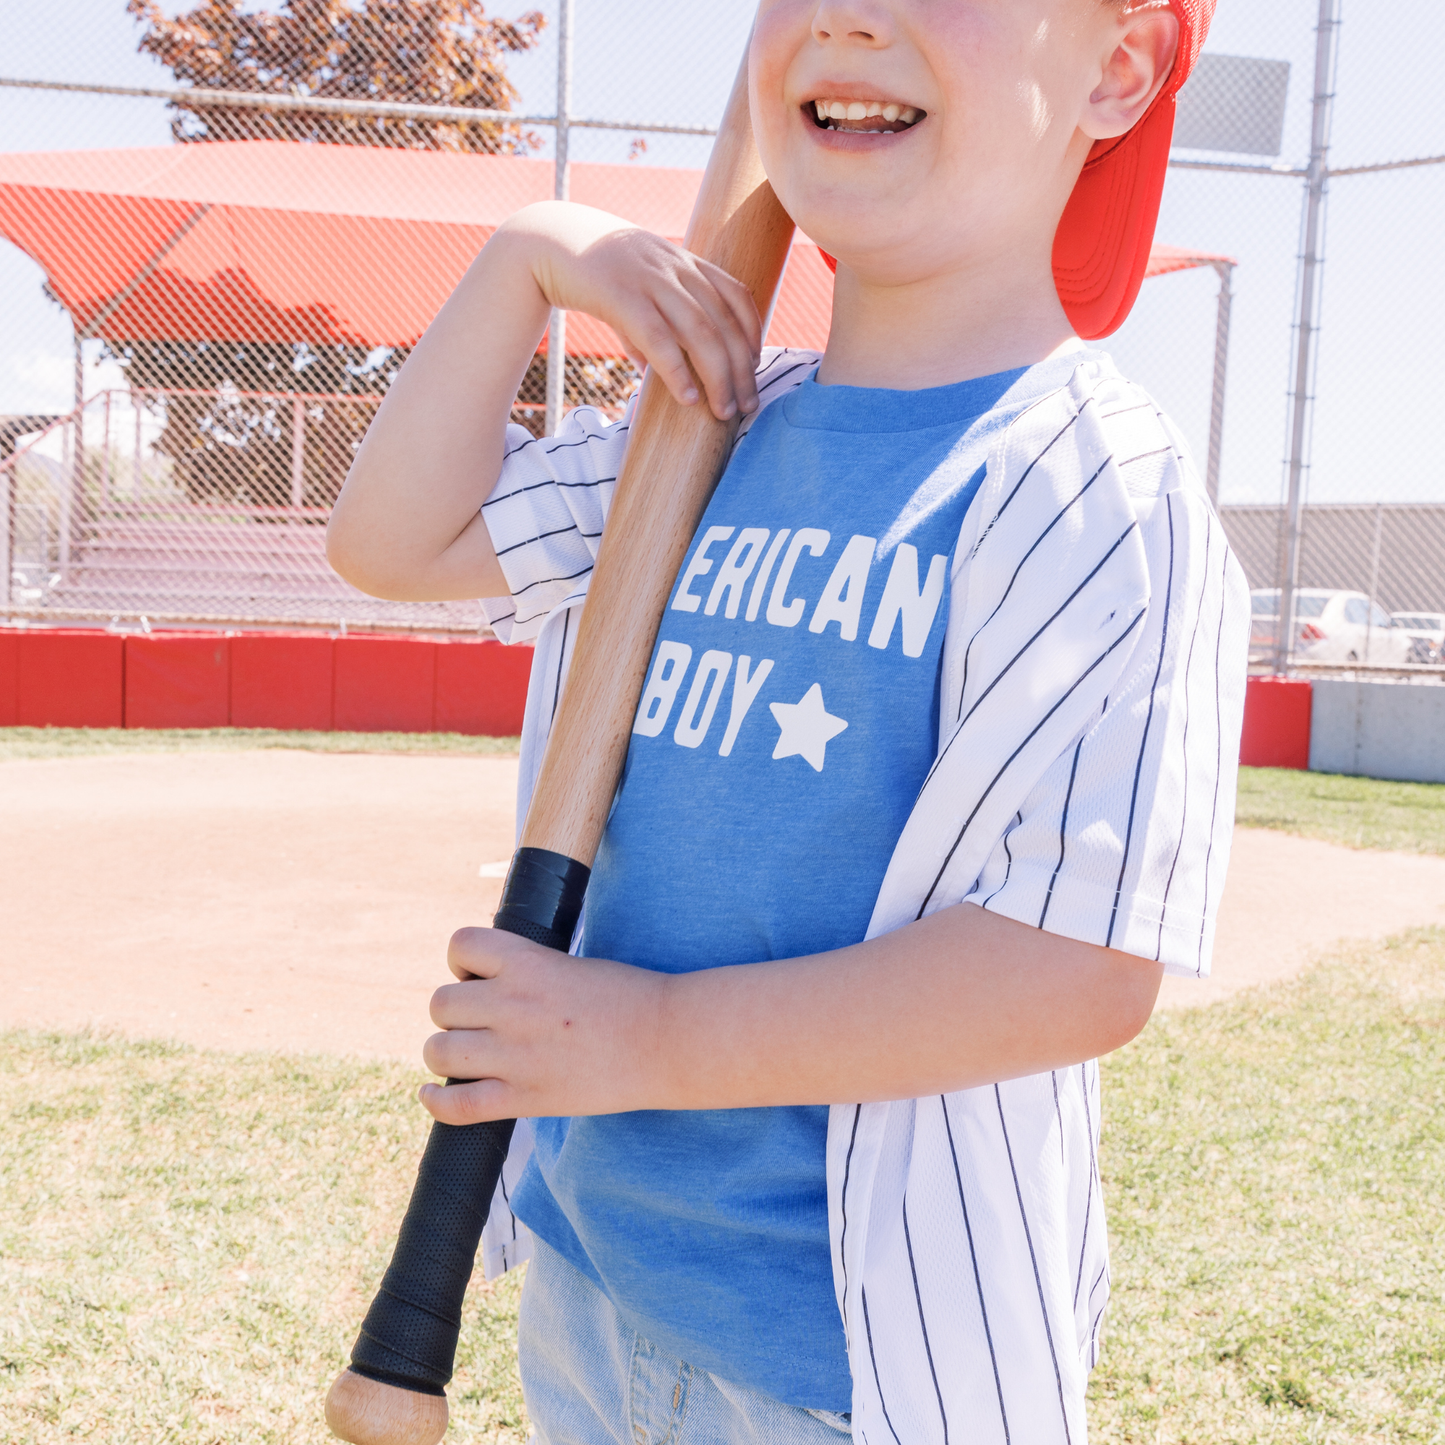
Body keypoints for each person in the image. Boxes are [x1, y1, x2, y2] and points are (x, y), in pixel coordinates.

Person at [326, 1, 1248, 1440]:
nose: (847, 16)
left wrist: (650, 1042)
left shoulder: (1090, 488)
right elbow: (391, 538)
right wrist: (532, 259)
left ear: (1117, 67)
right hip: (598, 1289)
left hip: (852, 1365)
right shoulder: (702, 429)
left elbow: (1078, 967)